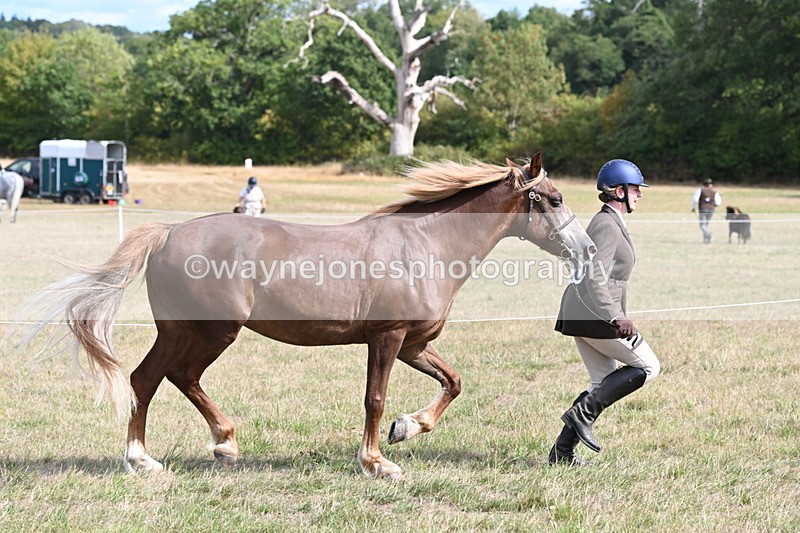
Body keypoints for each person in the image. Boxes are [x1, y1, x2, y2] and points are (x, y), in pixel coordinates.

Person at [549, 159, 661, 466]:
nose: (640, 194)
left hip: (585, 312)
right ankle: (581, 414)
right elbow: (595, 276)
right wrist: (615, 317)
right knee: (649, 367)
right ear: (619, 191)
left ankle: (561, 454)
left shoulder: (611, 222)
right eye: (636, 188)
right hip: (594, 314)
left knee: (601, 383)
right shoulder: (606, 225)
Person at [691, 178, 721, 244]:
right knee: (706, 225)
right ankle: (706, 240)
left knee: (702, 225)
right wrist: (713, 205)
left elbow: (695, 199)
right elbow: (718, 202)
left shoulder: (700, 190)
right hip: (711, 210)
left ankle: (709, 234)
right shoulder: (715, 192)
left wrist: (693, 207)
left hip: (703, 209)